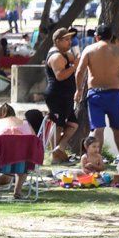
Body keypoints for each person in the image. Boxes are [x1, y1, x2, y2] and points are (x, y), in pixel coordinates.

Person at [74, 24, 119, 159]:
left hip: (95, 94)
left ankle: (95, 158)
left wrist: (78, 90)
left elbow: (80, 72)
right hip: (114, 93)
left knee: (98, 128)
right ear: (111, 36)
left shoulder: (89, 49)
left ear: (97, 37)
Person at [44, 27, 79, 163]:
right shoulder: (56, 56)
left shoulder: (63, 53)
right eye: (66, 40)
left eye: (70, 39)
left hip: (66, 96)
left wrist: (75, 59)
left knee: (73, 124)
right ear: (57, 41)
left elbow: (73, 57)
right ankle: (55, 156)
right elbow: (60, 76)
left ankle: (60, 148)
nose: (69, 43)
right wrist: (74, 66)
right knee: (58, 125)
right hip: (57, 95)